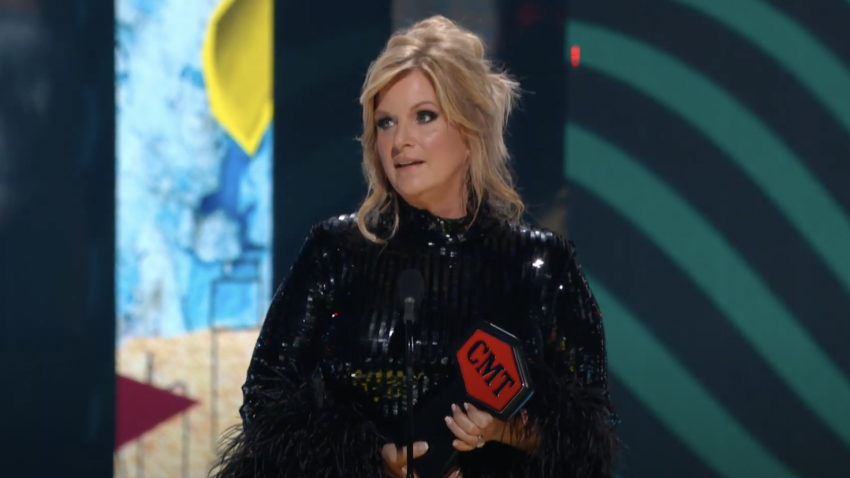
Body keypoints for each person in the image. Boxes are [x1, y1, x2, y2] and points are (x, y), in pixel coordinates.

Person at [211, 15, 619, 478]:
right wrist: (367, 461)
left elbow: (589, 437)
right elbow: (264, 405)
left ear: (470, 130)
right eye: (386, 123)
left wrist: (506, 431)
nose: (399, 141)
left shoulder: (541, 266)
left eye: (424, 117)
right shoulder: (335, 252)